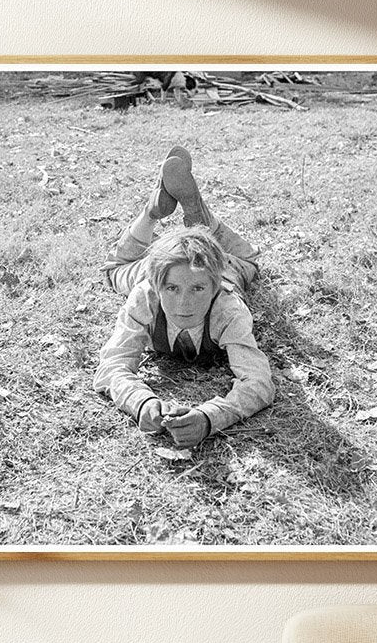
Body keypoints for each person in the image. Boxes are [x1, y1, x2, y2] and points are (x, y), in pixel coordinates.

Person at [93, 146, 275, 448]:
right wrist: (141, 402)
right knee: (115, 272)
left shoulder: (227, 307)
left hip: (222, 267)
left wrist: (209, 417)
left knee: (248, 262)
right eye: (173, 290)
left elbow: (258, 382)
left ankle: (200, 217)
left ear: (214, 288)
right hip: (159, 269)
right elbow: (111, 365)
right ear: (156, 285)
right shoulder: (146, 295)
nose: (184, 304)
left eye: (198, 290)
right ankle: (153, 212)